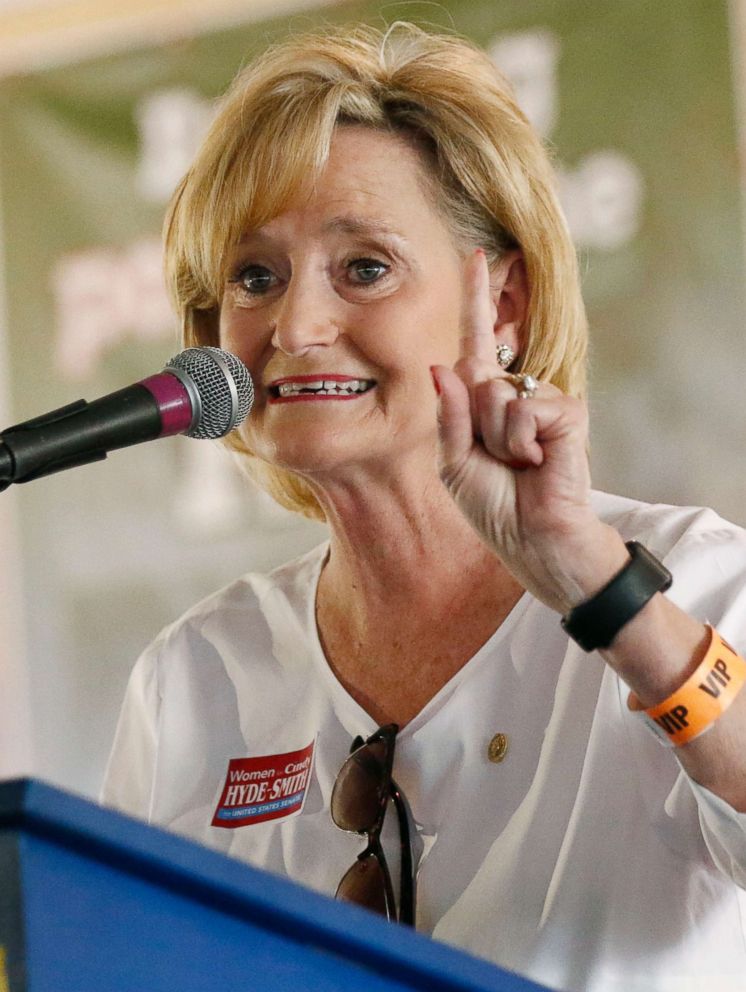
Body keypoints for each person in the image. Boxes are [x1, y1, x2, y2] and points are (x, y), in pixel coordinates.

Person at [102, 22, 746, 992]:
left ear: (503, 307)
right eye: (254, 276)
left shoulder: (695, 581)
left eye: (364, 267)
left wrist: (594, 585)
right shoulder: (195, 674)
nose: (297, 325)